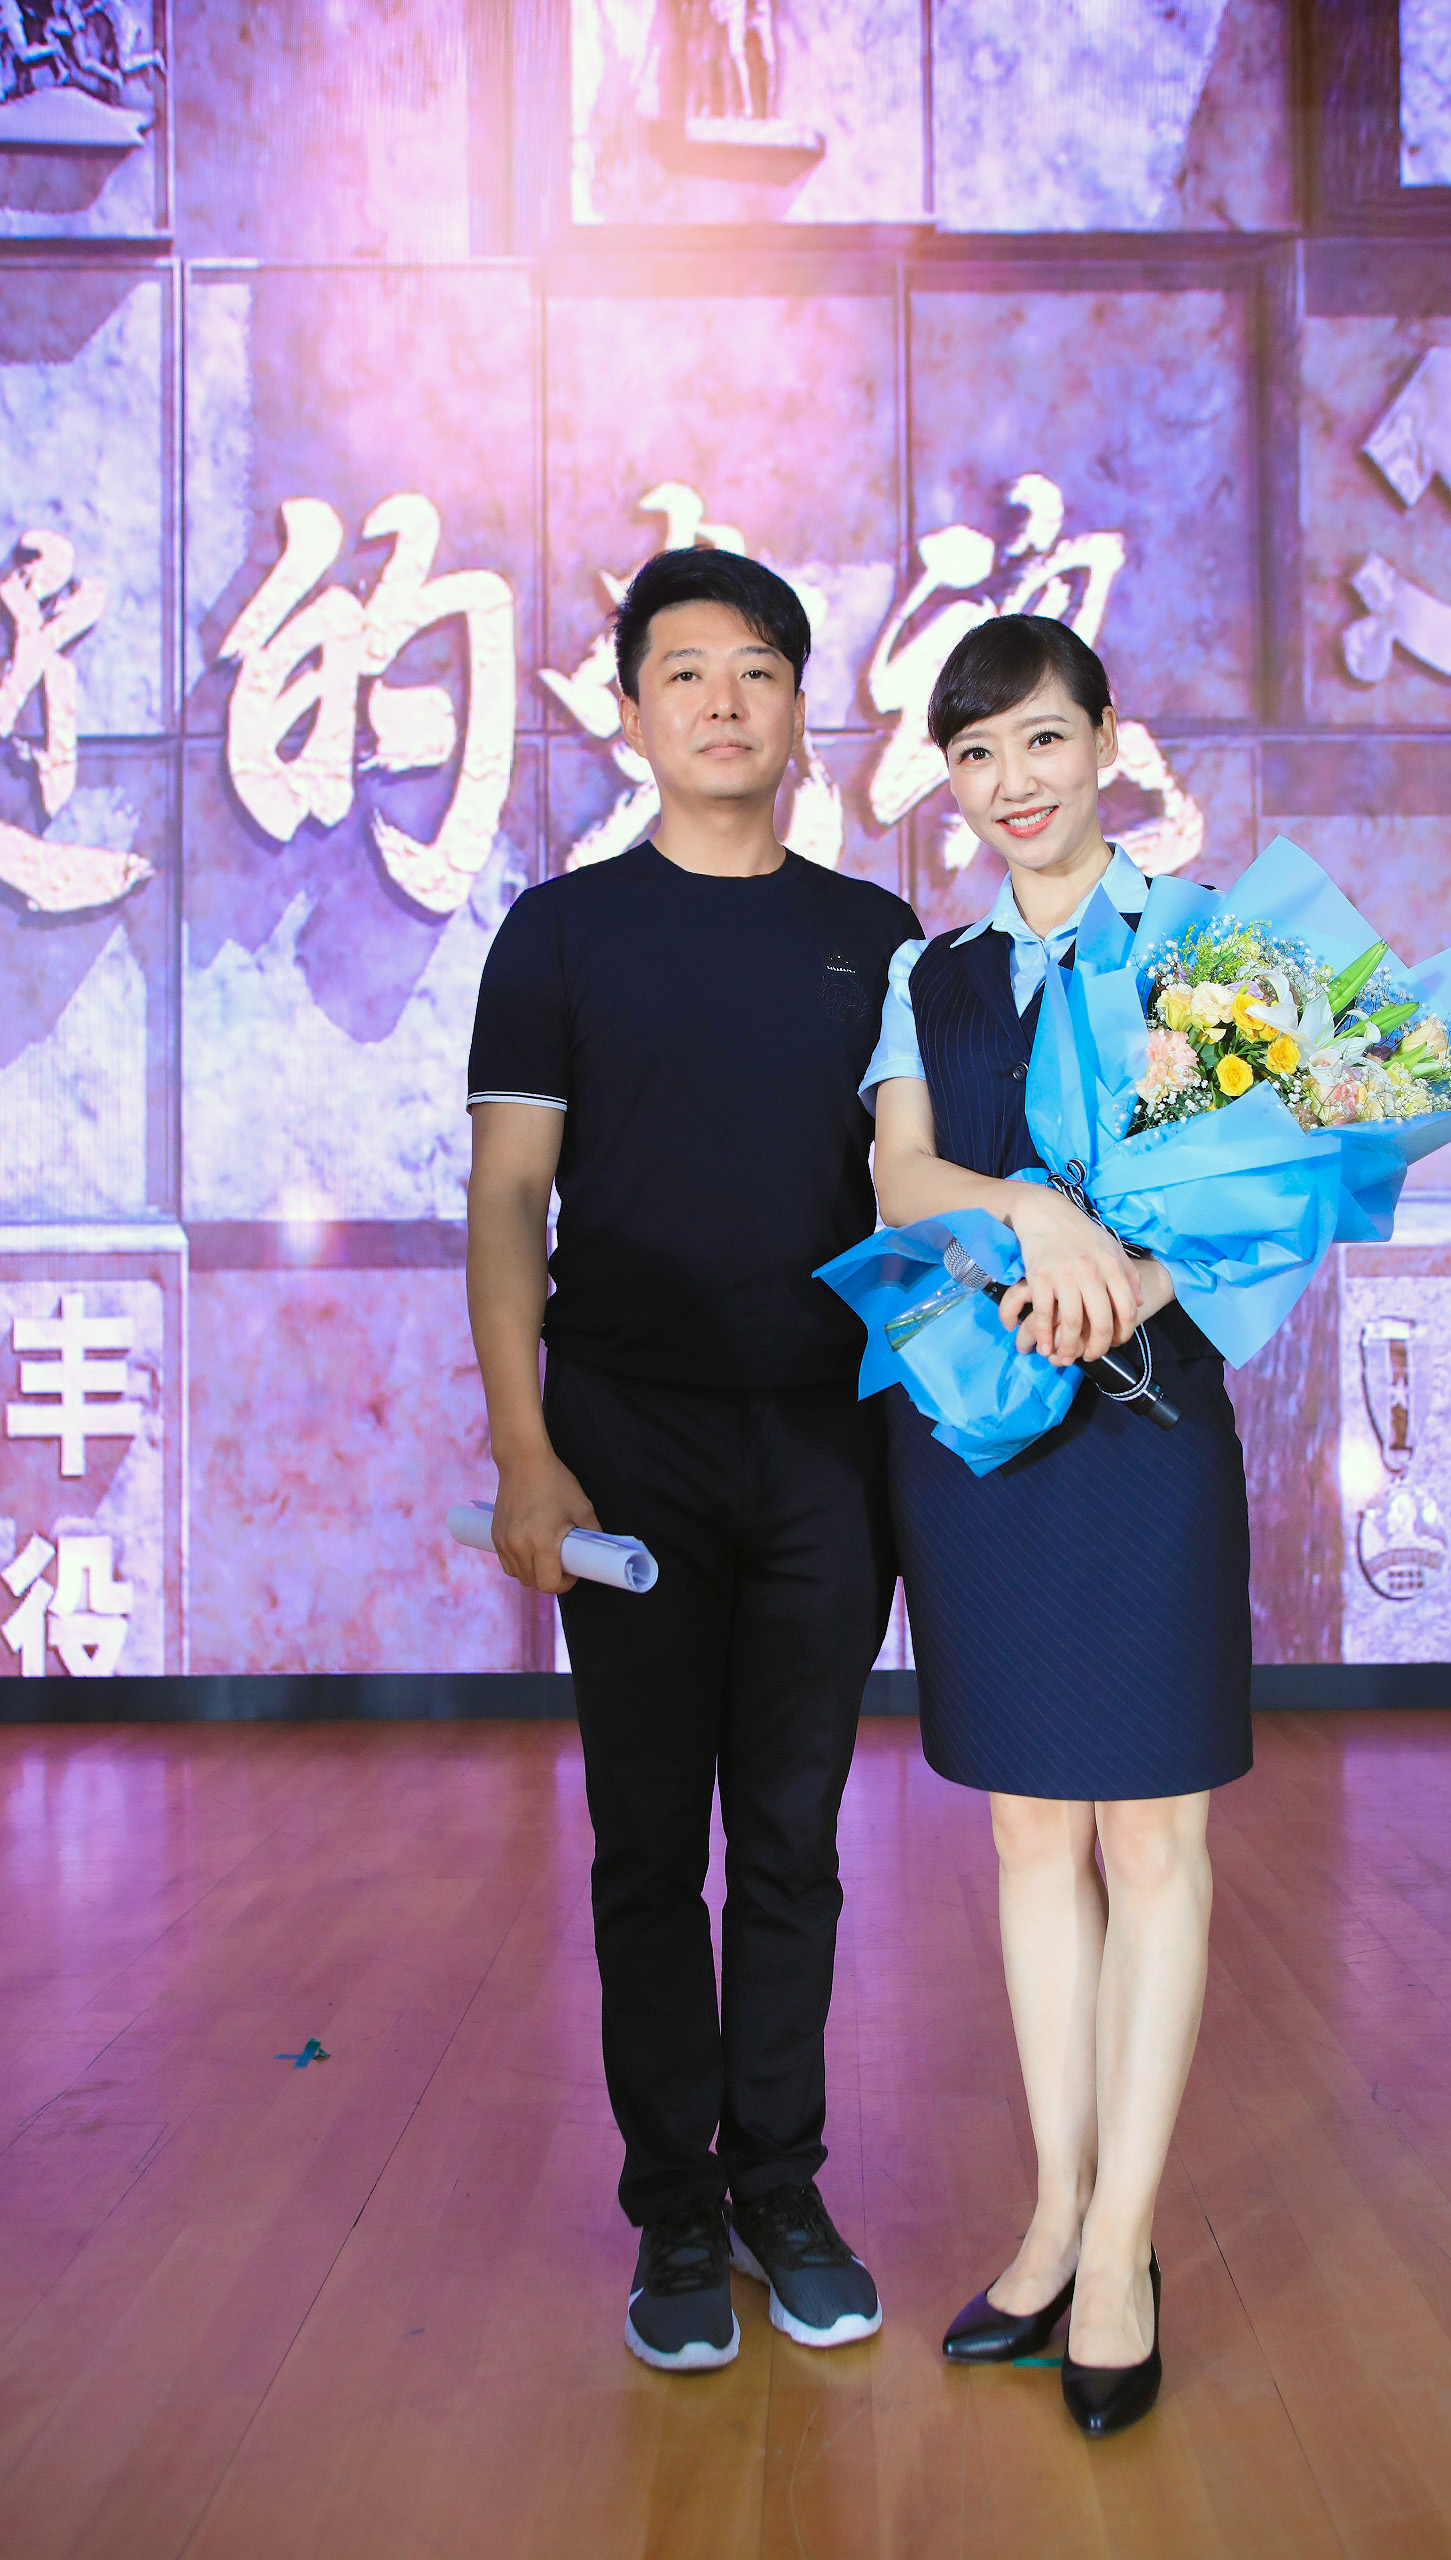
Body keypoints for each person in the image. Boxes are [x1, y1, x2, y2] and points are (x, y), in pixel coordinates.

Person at [464, 548, 919, 2372]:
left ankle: (780, 2188)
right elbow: (508, 1198)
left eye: (757, 670)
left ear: (803, 708)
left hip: (826, 1443)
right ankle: (673, 2207)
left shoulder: (877, 934)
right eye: (684, 672)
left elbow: (919, 1190)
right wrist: (524, 1449)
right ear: (630, 710)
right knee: (649, 1841)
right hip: (624, 1442)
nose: (723, 701)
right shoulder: (560, 933)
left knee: (793, 1837)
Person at [862, 614, 1252, 2438]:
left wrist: (1136, 1281)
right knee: (1029, 1834)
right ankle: (1047, 2213)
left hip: (1148, 1422)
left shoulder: (1208, 944)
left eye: (1037, 740)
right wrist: (1039, 1216)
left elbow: (1285, 1187)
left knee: (1152, 1841)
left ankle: (1118, 2250)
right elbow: (899, 1172)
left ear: (1107, 740)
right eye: (973, 755)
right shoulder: (925, 971)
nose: (1010, 784)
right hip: (983, 1432)